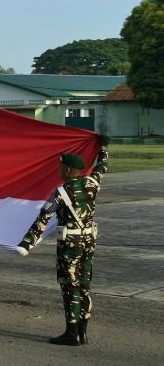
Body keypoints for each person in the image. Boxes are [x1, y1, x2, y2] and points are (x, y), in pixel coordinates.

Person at [17, 141, 109, 347]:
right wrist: (103, 148)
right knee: (84, 285)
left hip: (70, 245)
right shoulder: (93, 182)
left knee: (70, 287)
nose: (59, 170)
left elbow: (42, 219)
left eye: (61, 167)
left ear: (67, 170)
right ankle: (83, 333)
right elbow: (102, 166)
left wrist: (27, 243)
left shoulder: (60, 193)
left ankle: (71, 333)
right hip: (89, 242)